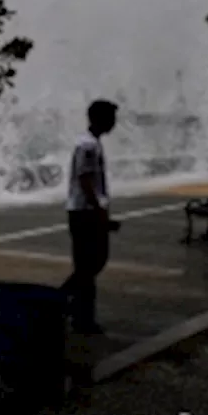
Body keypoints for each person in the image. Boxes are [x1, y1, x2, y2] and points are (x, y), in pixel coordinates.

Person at [60, 99, 118, 335]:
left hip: (87, 211)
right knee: (89, 264)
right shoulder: (87, 146)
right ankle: (70, 309)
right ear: (98, 119)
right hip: (85, 213)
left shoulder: (92, 143)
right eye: (111, 118)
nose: (114, 123)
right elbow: (85, 180)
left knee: (91, 264)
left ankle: (73, 309)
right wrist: (99, 211)